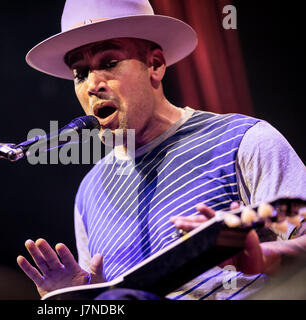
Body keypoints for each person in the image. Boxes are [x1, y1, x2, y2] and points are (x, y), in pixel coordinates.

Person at [16, 0, 306, 299]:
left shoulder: (244, 140)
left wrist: (259, 256)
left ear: (155, 65)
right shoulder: (89, 192)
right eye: (80, 73)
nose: (92, 84)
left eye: (109, 63)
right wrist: (80, 300)